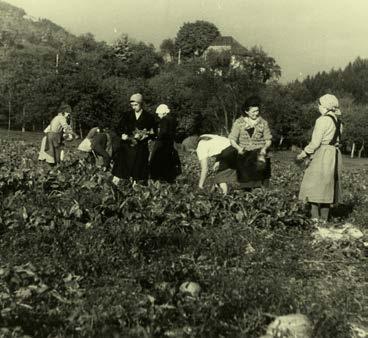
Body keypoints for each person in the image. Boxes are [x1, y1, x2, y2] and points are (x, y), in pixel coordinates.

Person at [297, 94, 343, 223]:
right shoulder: (339, 121)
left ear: (324, 106)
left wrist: (304, 153)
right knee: (327, 187)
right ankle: (324, 220)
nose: (318, 107)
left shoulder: (322, 120)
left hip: (322, 154)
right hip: (334, 155)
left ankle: (315, 220)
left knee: (314, 186)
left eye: (319, 105)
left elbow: (315, 143)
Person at [215, 95, 272, 191]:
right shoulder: (239, 123)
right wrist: (238, 148)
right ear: (246, 111)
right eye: (253, 111)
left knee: (259, 184)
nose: (256, 114)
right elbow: (232, 139)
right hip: (244, 154)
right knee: (246, 183)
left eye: (257, 111)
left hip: (259, 154)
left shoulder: (263, 123)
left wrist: (264, 148)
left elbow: (268, 140)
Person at [112, 93, 156, 183]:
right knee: (123, 167)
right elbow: (118, 128)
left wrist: (145, 136)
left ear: (141, 104)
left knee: (138, 169)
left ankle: (136, 185)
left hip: (140, 146)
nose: (133, 107)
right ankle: (121, 184)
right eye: (132, 105)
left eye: (136, 105)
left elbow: (153, 132)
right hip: (127, 146)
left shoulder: (149, 117)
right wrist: (122, 135)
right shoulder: (127, 115)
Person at [149, 104, 181, 183]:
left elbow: (163, 132)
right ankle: (168, 178)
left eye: (159, 113)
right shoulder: (172, 120)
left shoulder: (164, 120)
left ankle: (157, 178)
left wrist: (156, 137)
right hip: (169, 143)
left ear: (163, 112)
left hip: (162, 143)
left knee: (156, 160)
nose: (158, 115)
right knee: (168, 161)